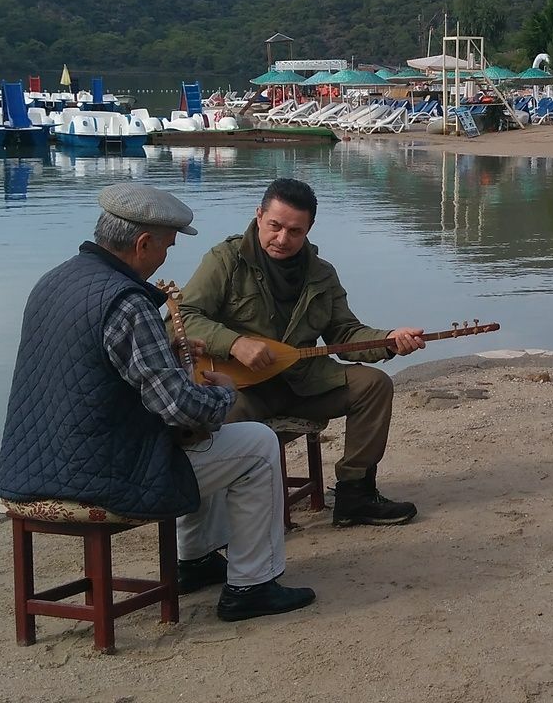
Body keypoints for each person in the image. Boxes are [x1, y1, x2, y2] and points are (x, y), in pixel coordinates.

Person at [0, 184, 315, 623]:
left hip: (30, 466)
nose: (166, 257)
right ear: (142, 243)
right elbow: (179, 408)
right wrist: (223, 391)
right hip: (100, 475)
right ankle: (253, 585)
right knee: (254, 444)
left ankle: (198, 558)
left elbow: (95, 372)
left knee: (214, 444)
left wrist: (170, 355)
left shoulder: (54, 281)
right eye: (166, 246)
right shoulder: (127, 302)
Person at [180, 177, 424, 526]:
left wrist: (388, 340)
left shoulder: (322, 275)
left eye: (295, 231)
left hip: (303, 385)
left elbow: (345, 332)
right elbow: (183, 319)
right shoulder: (225, 260)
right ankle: (221, 517)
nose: (282, 239)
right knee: (220, 417)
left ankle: (356, 494)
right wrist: (235, 343)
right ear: (259, 215)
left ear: (309, 228)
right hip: (243, 388)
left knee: (374, 384)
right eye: (274, 226)